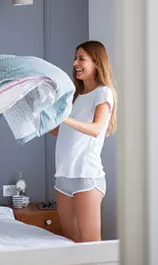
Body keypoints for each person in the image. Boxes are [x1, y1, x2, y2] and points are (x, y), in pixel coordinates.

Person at [49, 40, 117, 243]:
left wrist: (66, 118)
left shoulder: (103, 92)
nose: (75, 63)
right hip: (63, 177)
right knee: (70, 240)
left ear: (96, 62)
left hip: (86, 178)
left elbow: (97, 129)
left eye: (81, 58)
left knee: (90, 243)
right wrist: (43, 123)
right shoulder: (77, 97)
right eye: (75, 58)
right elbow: (64, 132)